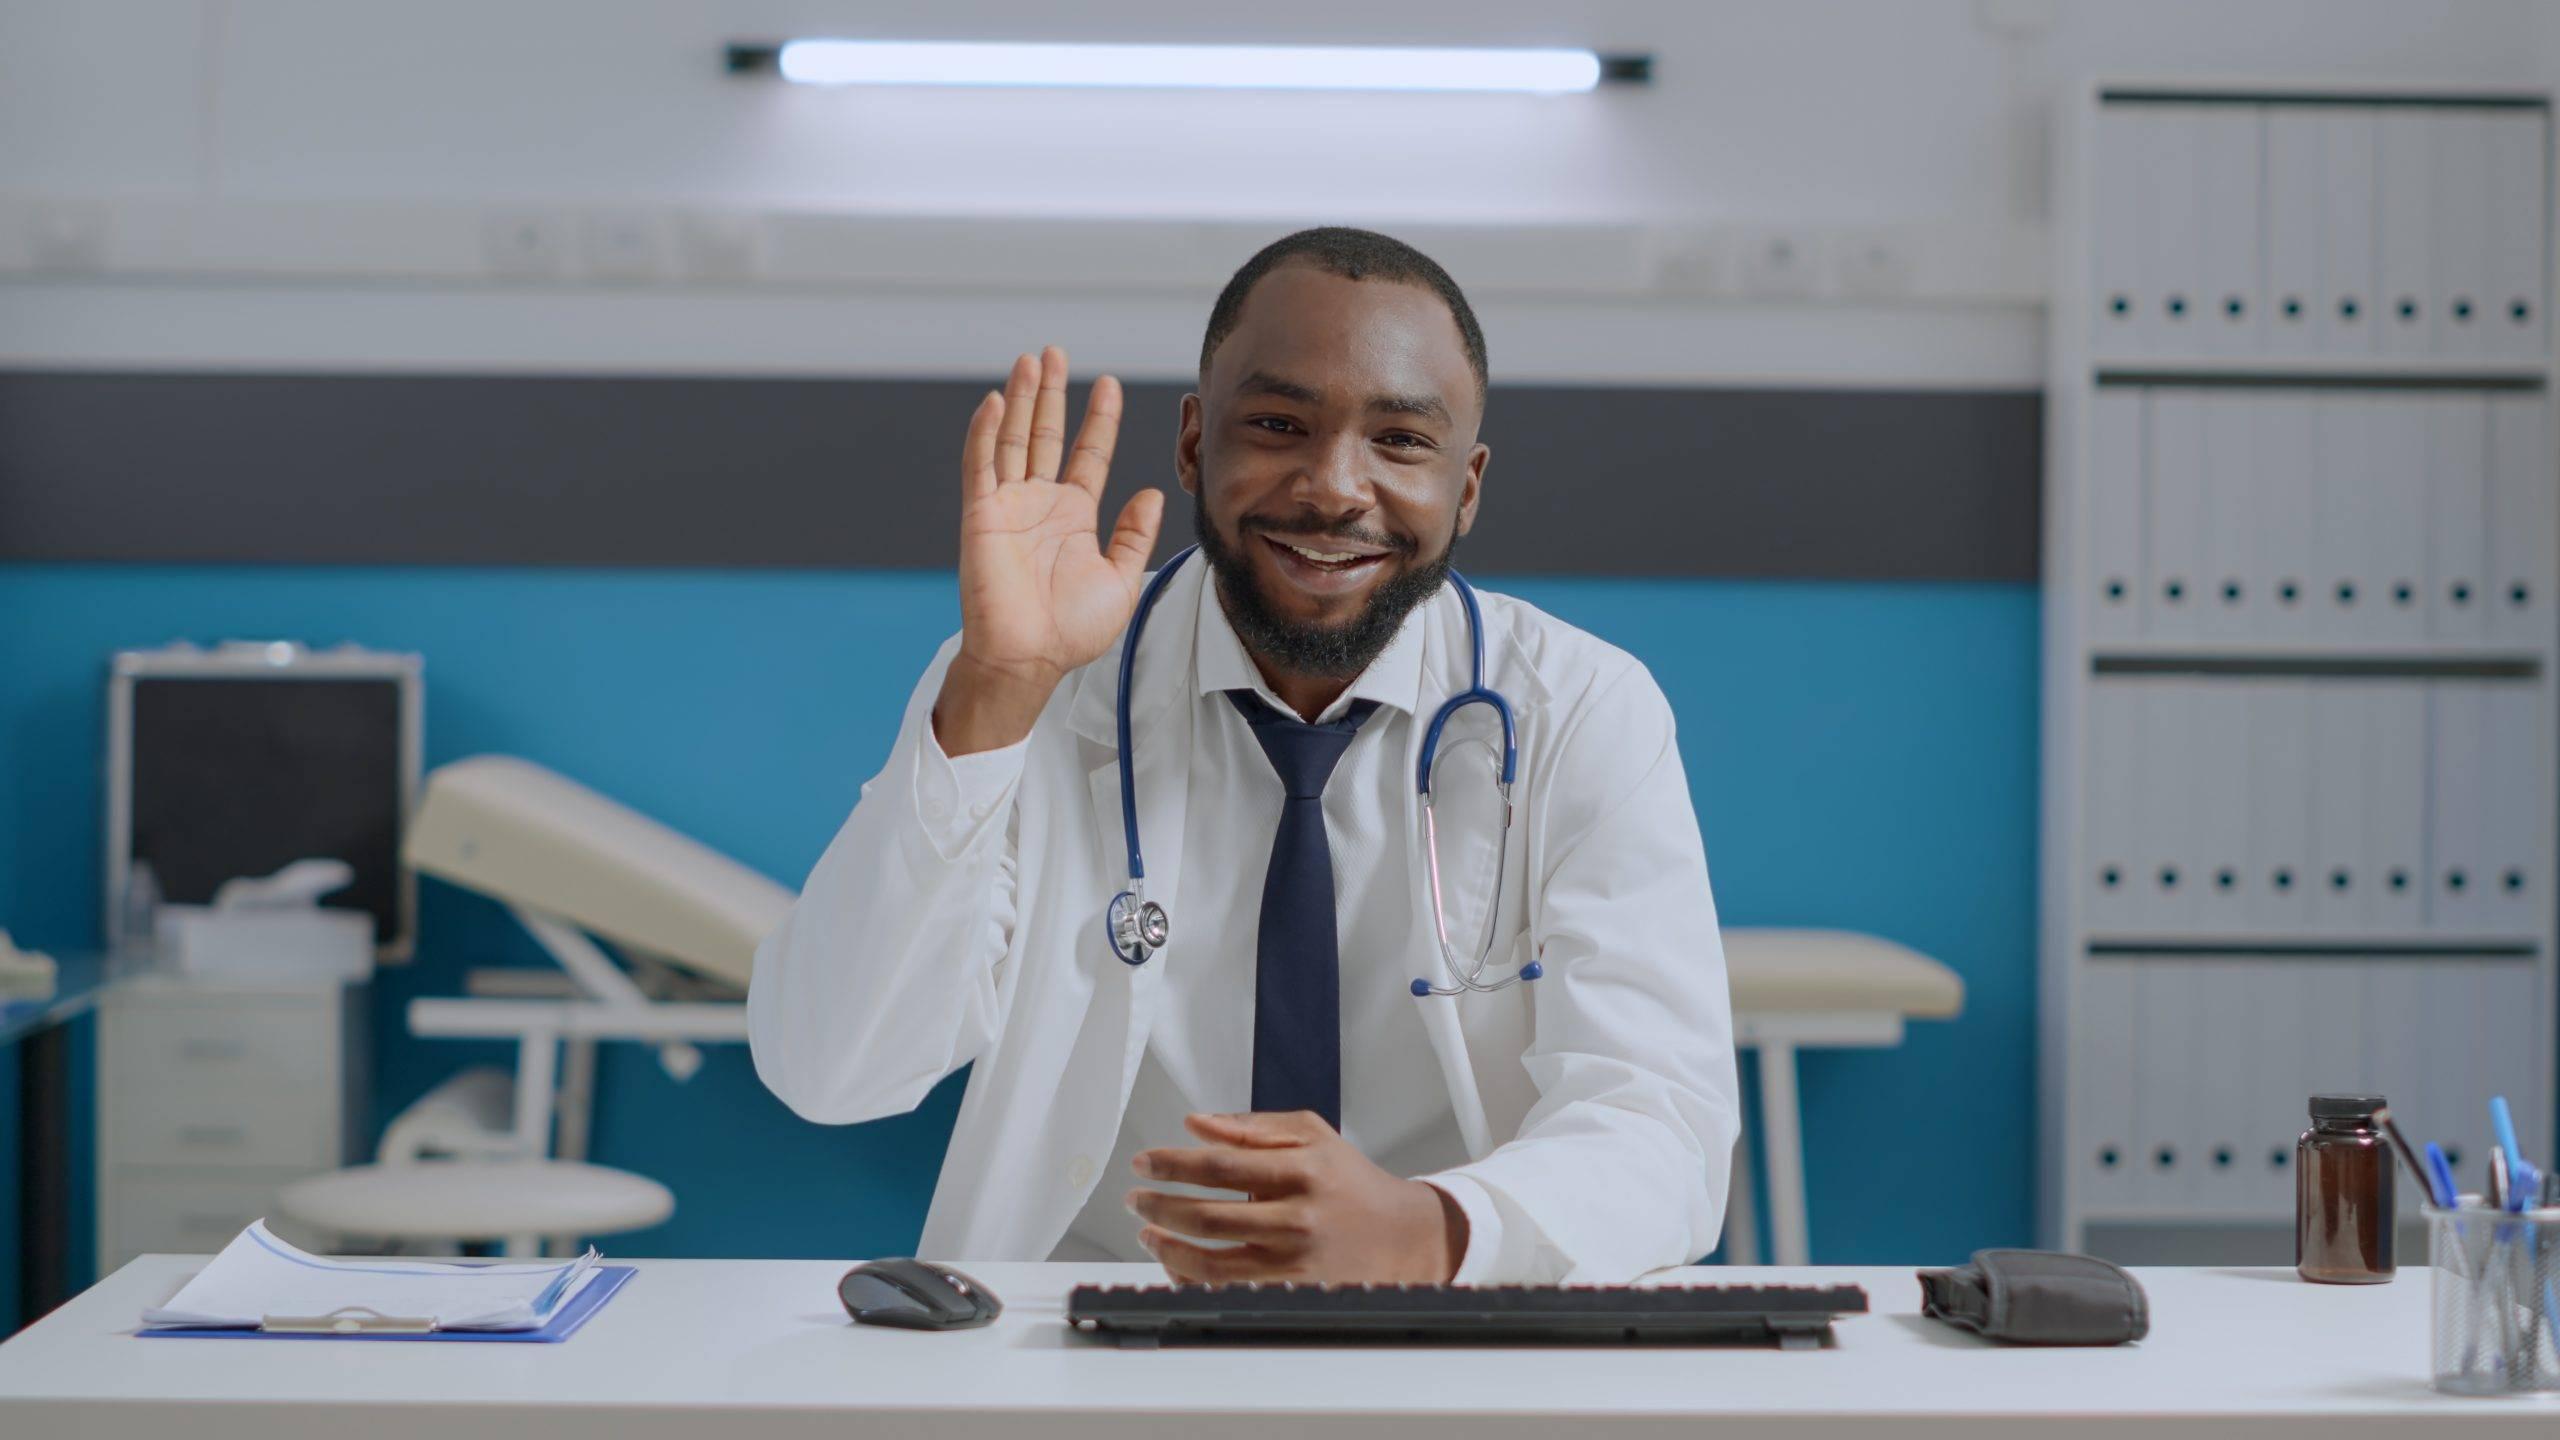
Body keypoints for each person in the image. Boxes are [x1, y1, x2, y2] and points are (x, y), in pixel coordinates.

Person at [749, 227, 1738, 1284]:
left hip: (1454, 1312)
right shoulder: (1030, 681)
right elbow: (830, 1071)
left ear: (1468, 486)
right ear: (1191, 445)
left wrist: (1420, 1228)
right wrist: (995, 693)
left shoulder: (1578, 708)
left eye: (1400, 440)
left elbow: (1662, 1127)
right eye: (1277, 424)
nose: (1332, 486)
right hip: (1082, 1330)